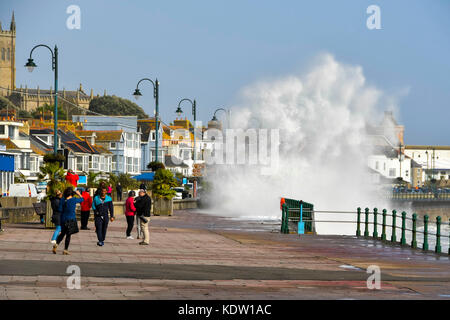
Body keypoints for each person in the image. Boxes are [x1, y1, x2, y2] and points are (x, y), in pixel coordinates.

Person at [52, 187, 83, 255]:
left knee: (62, 233)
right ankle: (65, 250)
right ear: (72, 193)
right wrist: (79, 194)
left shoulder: (62, 200)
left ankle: (56, 244)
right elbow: (82, 199)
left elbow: (60, 209)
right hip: (71, 219)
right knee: (68, 235)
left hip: (63, 219)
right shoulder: (74, 199)